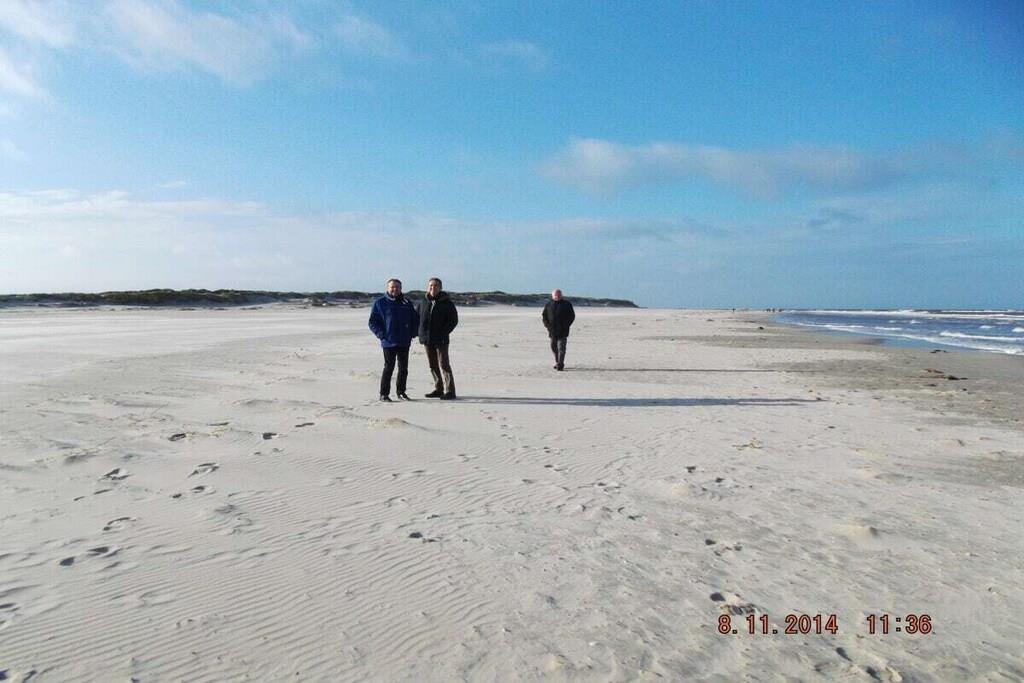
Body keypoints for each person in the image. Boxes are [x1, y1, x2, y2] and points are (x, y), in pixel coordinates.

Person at [368, 278, 419, 401]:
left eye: (397, 287)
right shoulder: (380, 303)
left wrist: (413, 333)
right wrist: (381, 334)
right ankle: (384, 394)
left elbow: (415, 319)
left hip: (404, 340)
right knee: (388, 367)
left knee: (403, 368)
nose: (395, 289)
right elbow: (373, 322)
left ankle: (401, 392)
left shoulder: (406, 302)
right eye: (392, 287)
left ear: (401, 289)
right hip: (388, 341)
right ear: (388, 288)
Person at [417, 277, 458, 400]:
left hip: (441, 339)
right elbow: (417, 318)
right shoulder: (423, 302)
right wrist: (419, 333)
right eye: (430, 285)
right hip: (427, 339)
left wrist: (443, 332)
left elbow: (453, 320)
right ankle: (438, 389)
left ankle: (450, 391)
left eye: (435, 286)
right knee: (433, 365)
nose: (433, 288)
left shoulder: (447, 302)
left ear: (440, 288)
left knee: (444, 364)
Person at [542, 288, 575, 371]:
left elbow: (572, 316)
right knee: (553, 347)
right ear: (552, 296)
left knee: (561, 348)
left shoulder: (567, 304)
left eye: (559, 295)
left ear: (561, 295)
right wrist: (547, 326)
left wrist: (566, 325)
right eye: (555, 295)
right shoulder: (549, 304)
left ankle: (560, 364)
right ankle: (557, 361)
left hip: (563, 330)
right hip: (552, 330)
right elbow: (544, 316)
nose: (557, 296)